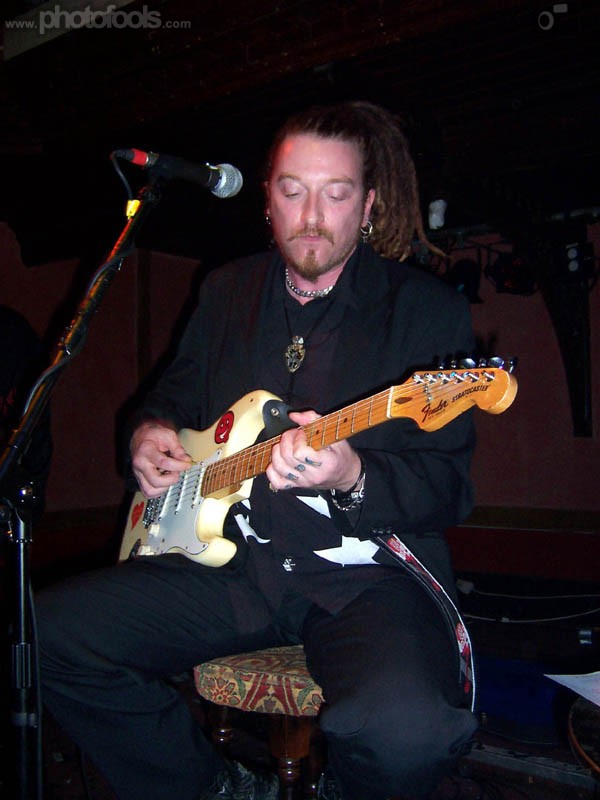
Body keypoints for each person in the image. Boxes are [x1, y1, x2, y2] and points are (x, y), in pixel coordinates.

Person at [37, 101, 479, 800]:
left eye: (337, 193)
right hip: (234, 570)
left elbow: (449, 486)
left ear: (368, 206)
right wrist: (149, 431)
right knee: (44, 635)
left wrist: (354, 474)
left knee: (408, 734)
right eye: (293, 190)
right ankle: (215, 789)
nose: (313, 215)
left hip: (363, 580)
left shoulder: (428, 312)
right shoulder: (226, 291)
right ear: (266, 200)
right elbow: (174, 394)